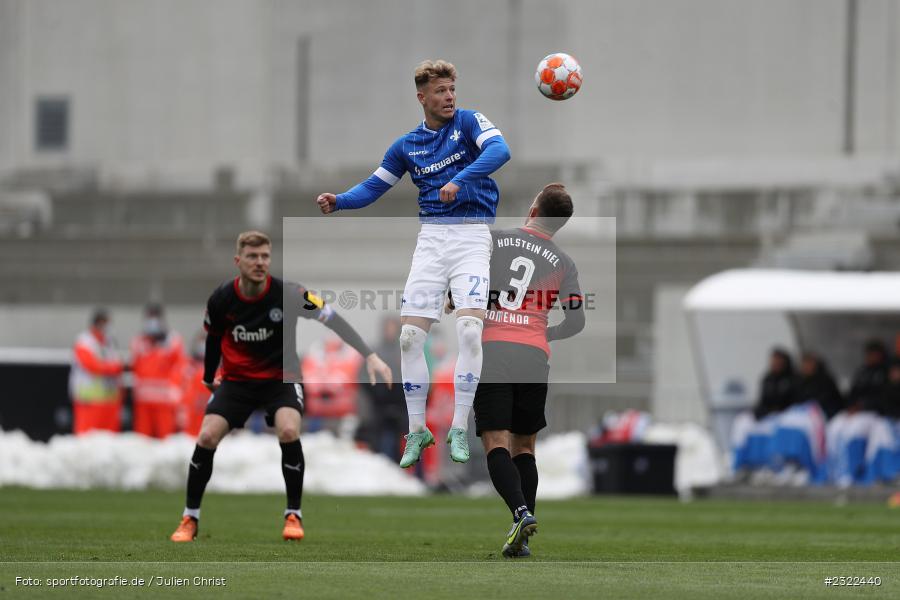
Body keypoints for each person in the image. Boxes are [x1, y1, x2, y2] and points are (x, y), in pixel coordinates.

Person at [316, 59, 511, 468]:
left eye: (452, 89)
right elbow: (374, 186)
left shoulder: (471, 122)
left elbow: (500, 150)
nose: (449, 97)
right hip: (432, 241)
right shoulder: (407, 146)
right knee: (408, 339)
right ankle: (418, 430)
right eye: (440, 91)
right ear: (422, 97)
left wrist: (461, 180)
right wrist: (340, 201)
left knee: (471, 331)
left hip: (472, 235)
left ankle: (458, 426)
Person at [170, 231, 392, 543]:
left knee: (288, 431)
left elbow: (332, 318)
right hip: (238, 382)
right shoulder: (221, 299)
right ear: (238, 261)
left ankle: (293, 515)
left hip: (281, 380)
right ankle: (189, 518)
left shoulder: (290, 293)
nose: (260, 263)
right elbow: (213, 338)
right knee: (206, 436)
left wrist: (370, 355)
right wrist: (209, 376)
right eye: (252, 256)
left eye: (265, 256)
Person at [469, 183, 584, 558]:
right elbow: (577, 321)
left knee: (495, 442)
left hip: (495, 349)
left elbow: (464, 287)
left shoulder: (494, 241)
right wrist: (541, 331)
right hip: (534, 355)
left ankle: (520, 513)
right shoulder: (564, 263)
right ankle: (523, 531)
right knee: (525, 446)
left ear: (533, 210)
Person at [130, 304, 186, 438]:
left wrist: (176, 391)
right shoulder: (139, 341)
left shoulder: (173, 340)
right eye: (150, 317)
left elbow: (180, 367)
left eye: (155, 317)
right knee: (142, 440)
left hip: (165, 401)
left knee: (165, 439)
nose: (152, 321)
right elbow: (135, 367)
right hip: (143, 401)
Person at [70, 308, 124, 434]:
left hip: (109, 402)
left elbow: (118, 364)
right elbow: (92, 366)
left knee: (108, 441)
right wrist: (113, 367)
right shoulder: (84, 341)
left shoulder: (110, 342)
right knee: (87, 439)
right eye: (104, 323)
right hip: (88, 401)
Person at [752, 348, 796, 420]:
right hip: (769, 414)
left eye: (778, 360)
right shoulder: (767, 379)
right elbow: (763, 401)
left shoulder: (793, 379)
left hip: (787, 415)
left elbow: (794, 402)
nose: (775, 363)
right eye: (774, 360)